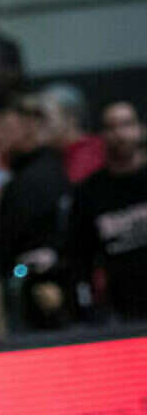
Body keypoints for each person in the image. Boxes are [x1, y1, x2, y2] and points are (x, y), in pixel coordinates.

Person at [0, 95, 73, 329]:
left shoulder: (31, 180)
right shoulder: (46, 168)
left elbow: (4, 244)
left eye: (5, 127)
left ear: (29, 126)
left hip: (37, 298)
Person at [66, 102, 147, 321]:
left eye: (126, 124)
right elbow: (79, 256)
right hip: (123, 309)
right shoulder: (89, 192)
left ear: (140, 129)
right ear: (101, 135)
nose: (120, 134)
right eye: (111, 127)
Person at [39, 83, 105, 184]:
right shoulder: (55, 153)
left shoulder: (89, 156)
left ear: (71, 119)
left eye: (45, 117)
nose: (38, 124)